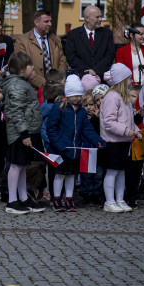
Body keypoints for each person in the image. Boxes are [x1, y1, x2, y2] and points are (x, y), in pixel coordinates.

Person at [43, 75, 105, 212]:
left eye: (79, 95)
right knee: (60, 174)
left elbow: (87, 129)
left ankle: (69, 197)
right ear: (68, 95)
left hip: (75, 149)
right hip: (61, 149)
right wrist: (59, 145)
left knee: (71, 174)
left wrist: (98, 140)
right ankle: (57, 198)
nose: (78, 98)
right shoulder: (58, 108)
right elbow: (51, 129)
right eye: (75, 95)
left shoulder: (81, 111)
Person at [0, 51, 47, 214]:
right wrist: (24, 134)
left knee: (22, 166)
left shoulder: (22, 83)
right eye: (30, 66)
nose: (33, 67)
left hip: (26, 131)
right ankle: (12, 201)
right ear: (21, 69)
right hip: (19, 133)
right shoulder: (17, 85)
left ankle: (23, 198)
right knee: (16, 165)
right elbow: (16, 111)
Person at [99, 63, 140, 212]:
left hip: (123, 141)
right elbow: (109, 122)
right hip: (112, 141)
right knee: (112, 171)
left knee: (121, 171)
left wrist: (136, 130)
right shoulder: (112, 97)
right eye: (129, 79)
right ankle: (109, 201)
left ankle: (120, 199)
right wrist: (126, 131)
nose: (131, 82)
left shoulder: (126, 98)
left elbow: (129, 119)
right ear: (122, 81)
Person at [13, 9, 67, 89]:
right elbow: (23, 67)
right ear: (36, 22)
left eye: (50, 21)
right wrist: (45, 84)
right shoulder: (22, 41)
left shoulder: (56, 40)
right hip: (32, 89)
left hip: (56, 89)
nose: (50, 24)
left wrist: (57, 81)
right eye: (46, 22)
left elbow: (62, 63)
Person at [63, 5, 116, 80]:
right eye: (97, 17)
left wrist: (96, 70)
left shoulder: (107, 34)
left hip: (102, 78)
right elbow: (71, 57)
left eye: (101, 16)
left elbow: (110, 54)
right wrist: (87, 72)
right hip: (81, 78)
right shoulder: (73, 35)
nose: (100, 19)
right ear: (87, 18)